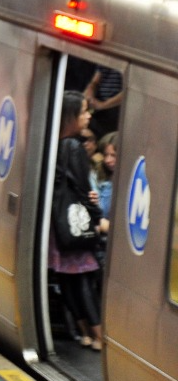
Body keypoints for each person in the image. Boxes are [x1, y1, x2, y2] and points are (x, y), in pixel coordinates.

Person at [50, 90, 109, 351]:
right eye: (84, 111)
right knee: (84, 280)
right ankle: (99, 337)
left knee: (68, 280)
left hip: (58, 226)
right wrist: (98, 218)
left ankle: (84, 332)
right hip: (76, 223)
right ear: (70, 115)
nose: (87, 116)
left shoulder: (52, 143)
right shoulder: (73, 146)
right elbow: (84, 189)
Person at [85, 64, 124, 137]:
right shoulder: (106, 62)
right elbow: (95, 82)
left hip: (115, 108)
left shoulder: (123, 65)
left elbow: (126, 93)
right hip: (99, 103)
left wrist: (103, 105)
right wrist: (90, 95)